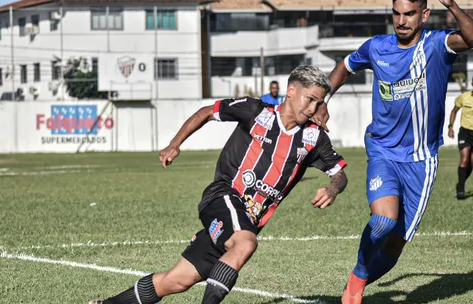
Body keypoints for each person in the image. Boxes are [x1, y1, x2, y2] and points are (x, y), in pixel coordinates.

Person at [89, 66, 349, 304]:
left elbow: (339, 173)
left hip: (245, 221)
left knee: (176, 280)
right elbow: (207, 112)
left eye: (319, 102)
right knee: (245, 244)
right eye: (310, 99)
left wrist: (332, 188)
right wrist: (175, 143)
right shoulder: (255, 111)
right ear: (291, 90)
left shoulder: (314, 138)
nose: (314, 108)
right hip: (223, 196)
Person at [311, 0, 473, 303]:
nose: (401, 20)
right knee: (384, 220)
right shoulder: (376, 47)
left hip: (422, 161)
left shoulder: (437, 45)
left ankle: (355, 284)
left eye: (410, 13)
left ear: (424, 15)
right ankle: (358, 279)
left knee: (394, 246)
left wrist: (452, 5)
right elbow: (345, 67)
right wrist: (323, 99)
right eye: (396, 13)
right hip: (383, 150)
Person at [448, 77, 473, 199]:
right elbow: (454, 111)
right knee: (464, 159)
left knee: (471, 163)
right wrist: (450, 127)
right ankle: (460, 190)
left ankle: (460, 184)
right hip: (465, 132)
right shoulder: (464, 97)